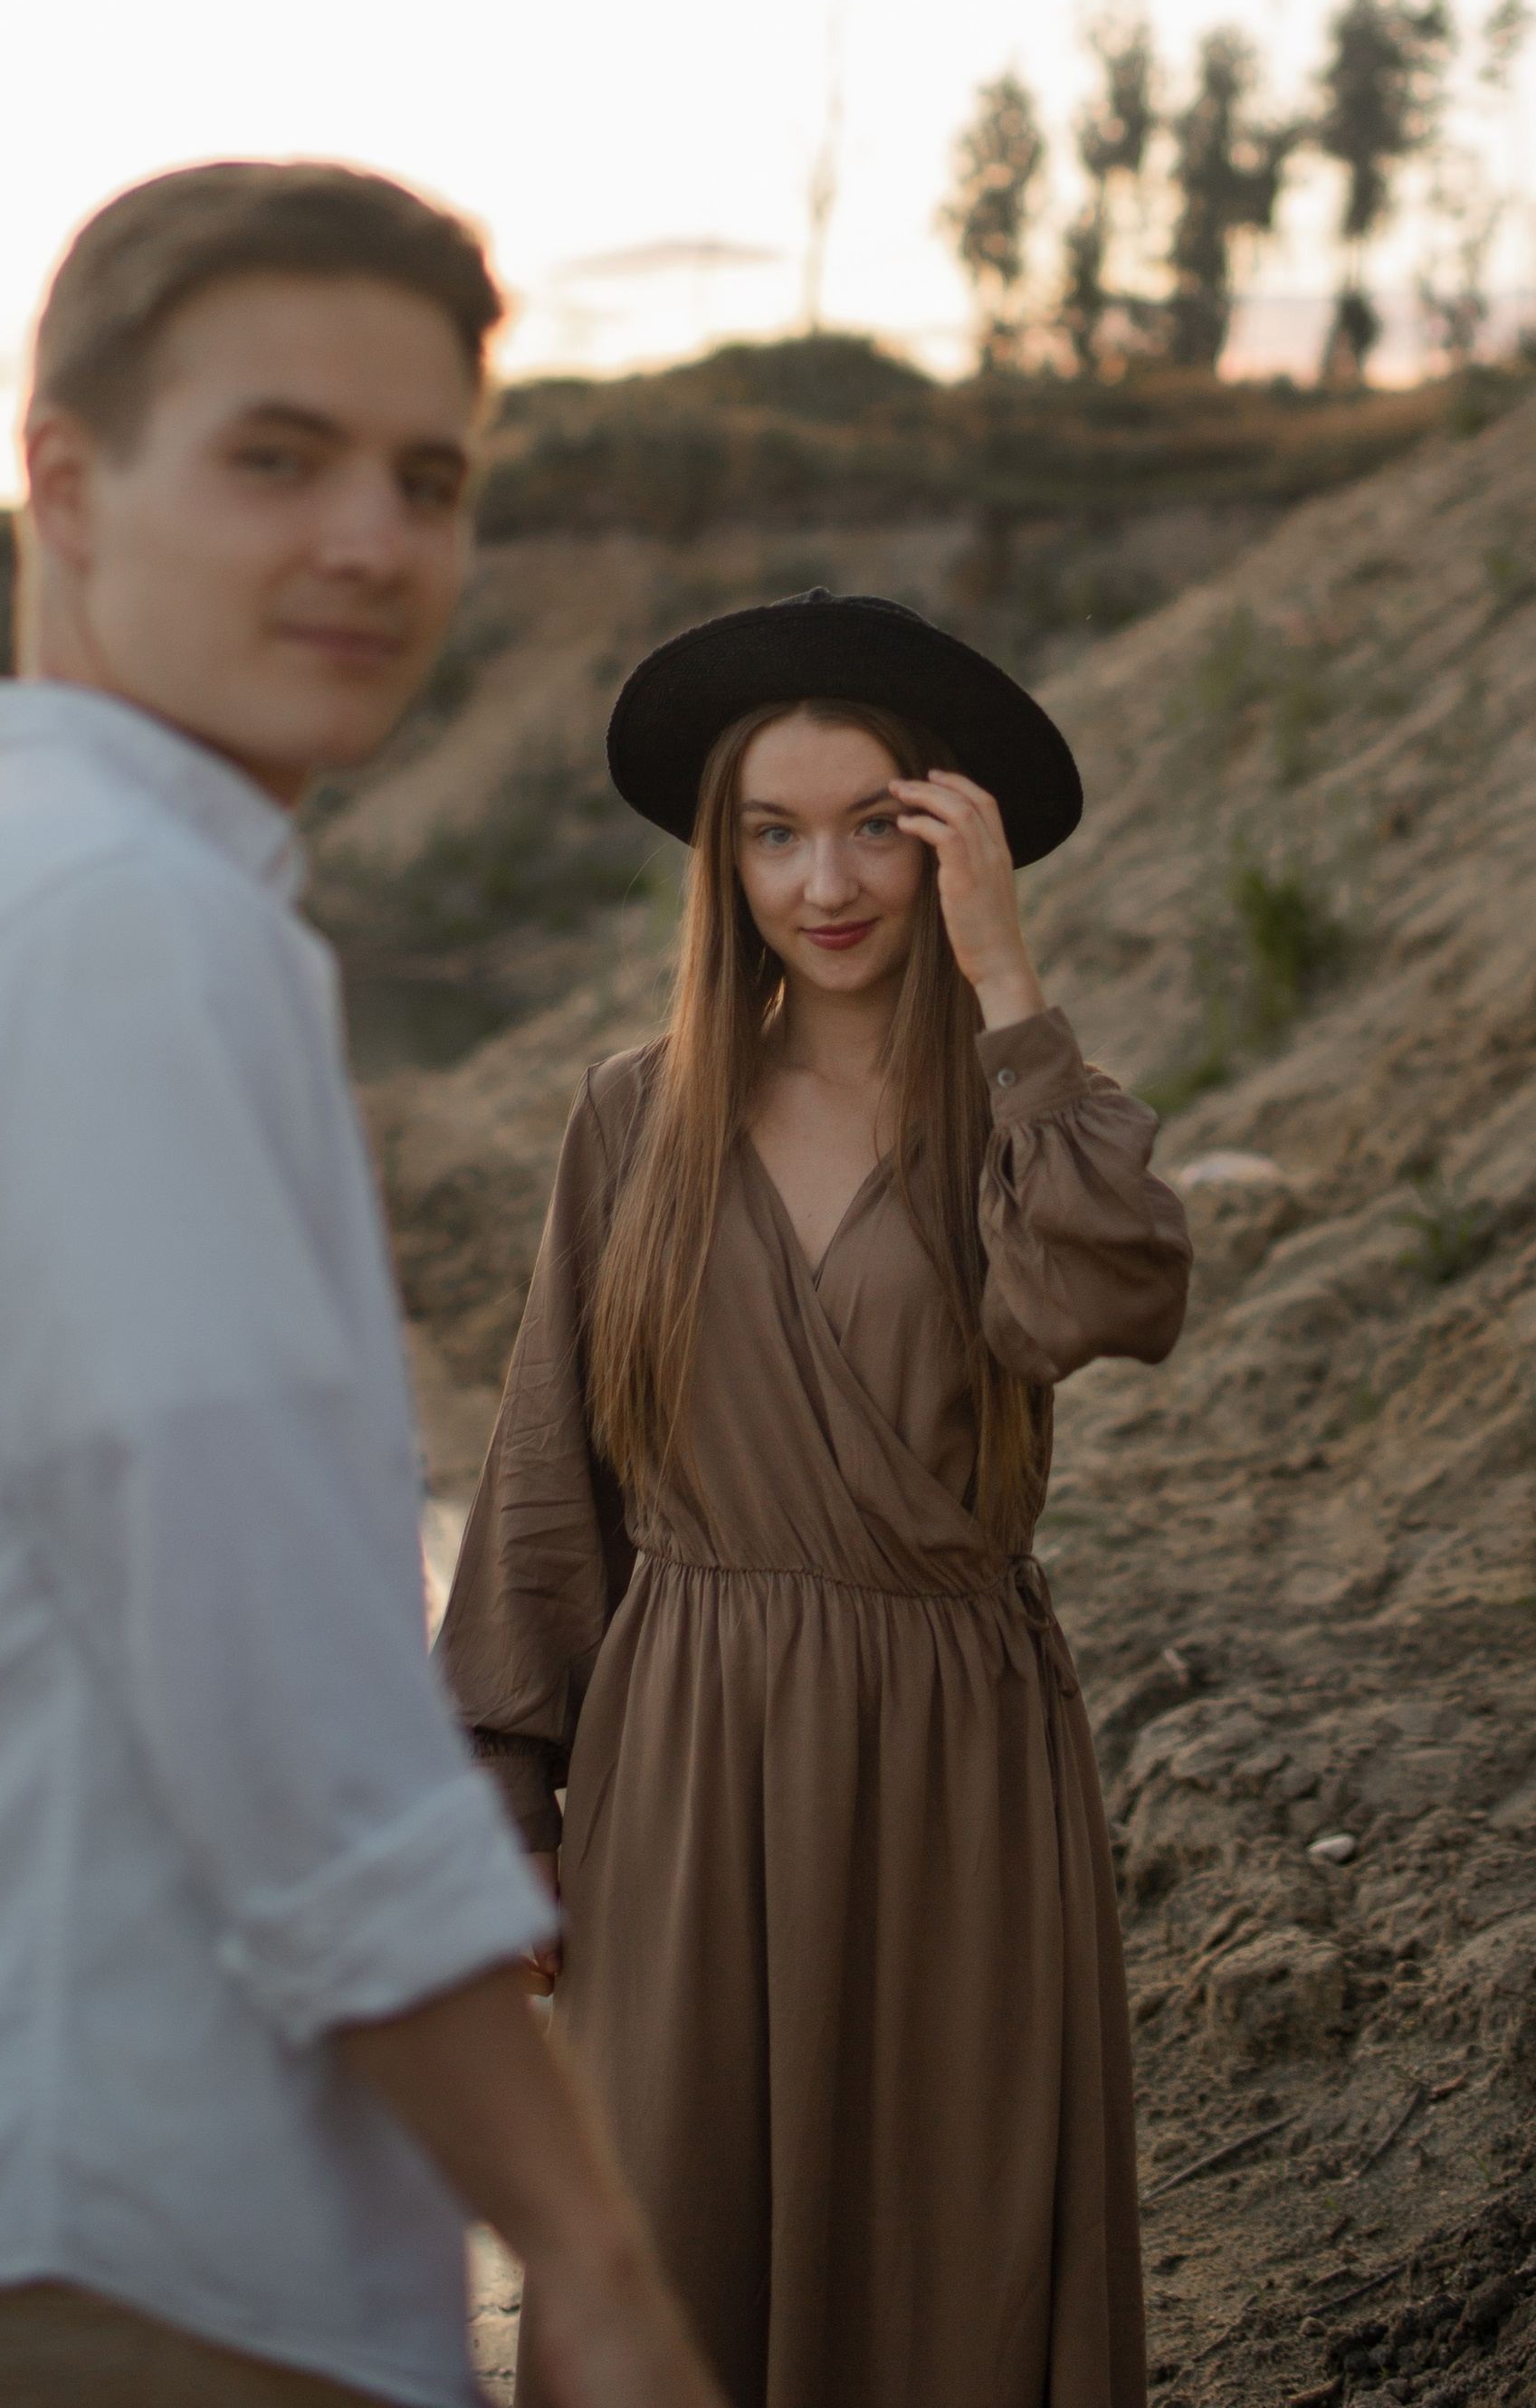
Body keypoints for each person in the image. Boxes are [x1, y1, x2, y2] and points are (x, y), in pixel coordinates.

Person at [0, 164, 717, 2408]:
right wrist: (586, 2251)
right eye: (277, 457)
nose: (374, 541)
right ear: (68, 486)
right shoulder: (105, 928)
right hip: (89, 2243)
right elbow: (290, 1709)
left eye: (428, 477)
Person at [436, 589, 1193, 2408]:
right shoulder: (636, 1116)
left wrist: (1011, 990)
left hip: (953, 1751)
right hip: (687, 1746)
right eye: (773, 833)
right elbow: (552, 1469)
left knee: (951, 2239)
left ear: (951, 840)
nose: (824, 882)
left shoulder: (1013, 1122)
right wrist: (505, 1792)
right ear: (722, 861)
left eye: (874, 825)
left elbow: (1103, 1301)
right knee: (669, 2227)